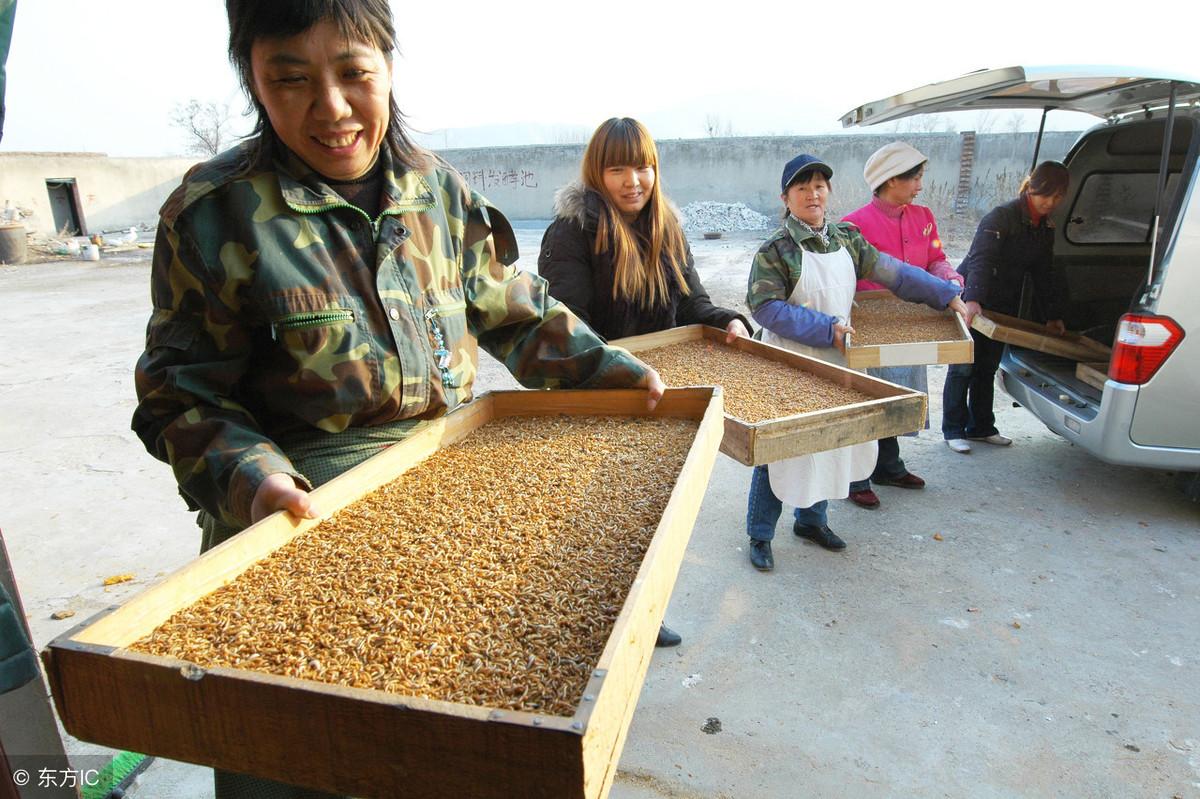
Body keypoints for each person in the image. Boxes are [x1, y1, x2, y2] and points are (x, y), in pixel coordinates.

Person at [132, 3, 662, 797]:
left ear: (387, 63)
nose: (332, 108)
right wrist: (256, 481)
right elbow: (181, 394)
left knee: (458, 749)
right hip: (291, 525)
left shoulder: (437, 193)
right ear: (254, 79)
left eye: (353, 74)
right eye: (291, 80)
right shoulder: (215, 212)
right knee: (292, 755)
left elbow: (514, 309)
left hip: (443, 491)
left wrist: (616, 373)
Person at [539, 116, 751, 644]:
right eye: (618, 168)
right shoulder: (572, 230)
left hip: (658, 392)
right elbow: (567, 322)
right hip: (597, 394)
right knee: (593, 513)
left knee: (652, 511)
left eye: (644, 166)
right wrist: (615, 370)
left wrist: (726, 319)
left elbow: (692, 302)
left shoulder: (667, 227)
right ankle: (590, 616)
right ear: (597, 171)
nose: (633, 180)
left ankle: (639, 613)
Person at [744, 154, 969, 572]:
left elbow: (896, 274)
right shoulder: (776, 251)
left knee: (833, 442)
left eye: (819, 186)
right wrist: (823, 327)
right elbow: (764, 307)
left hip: (841, 359)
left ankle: (811, 522)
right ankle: (760, 534)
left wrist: (944, 294)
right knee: (782, 449)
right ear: (786, 198)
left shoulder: (845, 238)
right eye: (802, 188)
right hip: (792, 361)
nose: (813, 194)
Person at [841, 142, 964, 509]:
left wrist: (949, 278)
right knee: (868, 397)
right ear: (891, 179)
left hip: (914, 322)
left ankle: (888, 466)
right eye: (915, 178)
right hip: (871, 326)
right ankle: (856, 476)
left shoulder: (923, 216)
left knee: (899, 394)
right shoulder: (854, 225)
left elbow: (935, 258)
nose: (920, 186)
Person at [943, 160, 1070, 454]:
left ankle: (981, 427)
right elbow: (980, 260)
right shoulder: (1001, 217)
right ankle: (953, 429)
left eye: (1057, 197)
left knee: (987, 367)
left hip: (1003, 301)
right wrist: (972, 299)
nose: (1049, 203)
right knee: (963, 367)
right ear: (1032, 188)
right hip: (971, 296)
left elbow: (1043, 273)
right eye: (1044, 195)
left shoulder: (1044, 228)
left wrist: (1052, 315)